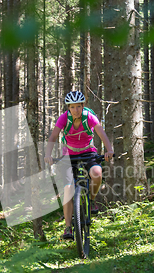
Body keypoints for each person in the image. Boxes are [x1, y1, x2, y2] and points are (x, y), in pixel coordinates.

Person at [44, 91, 114, 240]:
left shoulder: (89, 117)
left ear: (83, 106)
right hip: (69, 155)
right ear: (69, 108)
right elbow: (53, 136)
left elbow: (102, 134)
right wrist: (48, 154)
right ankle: (68, 227)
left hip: (88, 152)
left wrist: (109, 150)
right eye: (73, 107)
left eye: (79, 106)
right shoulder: (64, 118)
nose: (76, 110)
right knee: (68, 188)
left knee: (97, 173)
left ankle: (92, 200)